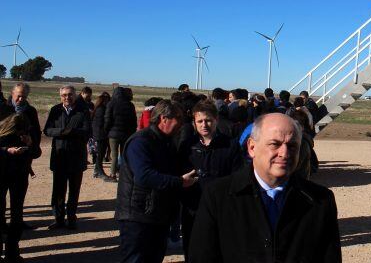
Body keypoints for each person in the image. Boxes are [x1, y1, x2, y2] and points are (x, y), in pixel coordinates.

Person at [188, 113, 341, 263]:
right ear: (252, 147)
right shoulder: (218, 196)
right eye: (275, 144)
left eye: (292, 146)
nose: (284, 153)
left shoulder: (320, 200)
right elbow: (202, 256)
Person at [115, 100, 198, 263]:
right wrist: (179, 182)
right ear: (163, 118)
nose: (181, 124)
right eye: (178, 119)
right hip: (138, 216)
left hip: (158, 214)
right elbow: (144, 176)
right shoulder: (140, 141)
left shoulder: (166, 141)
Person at [178, 100, 243, 259]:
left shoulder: (231, 145)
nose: (204, 124)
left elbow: (238, 176)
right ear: (194, 122)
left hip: (221, 209)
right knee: (193, 249)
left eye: (208, 120)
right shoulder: (187, 146)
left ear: (216, 120)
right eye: (199, 121)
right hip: (193, 208)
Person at [43, 85, 92, 230]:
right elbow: (47, 130)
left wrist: (73, 132)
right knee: (58, 190)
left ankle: (71, 218)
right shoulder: (55, 110)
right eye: (64, 95)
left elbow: (88, 131)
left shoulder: (83, 111)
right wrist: (62, 132)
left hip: (76, 157)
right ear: (60, 96)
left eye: (70, 94)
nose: (67, 97)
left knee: (74, 190)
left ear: (75, 95)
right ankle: (58, 219)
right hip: (59, 156)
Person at [0, 113, 40, 262]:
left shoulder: (26, 134)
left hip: (19, 176)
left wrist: (30, 144)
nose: (20, 134)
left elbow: (37, 153)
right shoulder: (2, 134)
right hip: (2, 175)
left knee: (17, 215)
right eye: (19, 131)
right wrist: (6, 150)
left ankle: (12, 252)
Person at [2, 82, 42, 232]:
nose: (20, 99)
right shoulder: (3, 109)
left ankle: (17, 224)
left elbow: (37, 132)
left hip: (22, 162)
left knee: (18, 199)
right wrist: (6, 148)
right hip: (4, 160)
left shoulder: (30, 111)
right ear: (12, 93)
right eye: (18, 96)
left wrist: (31, 141)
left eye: (24, 96)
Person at [104, 86, 137, 181]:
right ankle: (124, 174)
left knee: (114, 155)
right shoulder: (130, 105)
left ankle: (113, 175)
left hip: (113, 134)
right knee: (124, 155)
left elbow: (107, 119)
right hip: (126, 133)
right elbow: (133, 121)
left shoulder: (111, 104)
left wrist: (106, 130)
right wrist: (132, 132)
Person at [91, 92, 111, 179]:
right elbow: (102, 123)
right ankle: (99, 171)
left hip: (99, 133)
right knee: (100, 153)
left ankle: (96, 170)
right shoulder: (102, 109)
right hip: (101, 134)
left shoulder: (98, 108)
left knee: (100, 153)